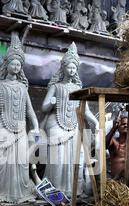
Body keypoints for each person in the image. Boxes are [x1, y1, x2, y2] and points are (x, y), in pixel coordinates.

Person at [0, 32, 39, 203]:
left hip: (19, 129)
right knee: (0, 164)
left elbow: (30, 111)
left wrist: (35, 125)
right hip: (0, 128)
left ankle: (20, 193)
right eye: (13, 63)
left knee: (21, 163)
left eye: (19, 64)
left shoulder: (22, 88)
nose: (16, 67)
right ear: (7, 65)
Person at [42, 42, 99, 197]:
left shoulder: (77, 89)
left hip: (73, 126)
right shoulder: (56, 87)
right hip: (57, 124)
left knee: (76, 160)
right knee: (59, 160)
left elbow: (85, 110)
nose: (72, 70)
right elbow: (44, 107)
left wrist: (95, 121)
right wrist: (52, 102)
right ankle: (55, 190)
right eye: (69, 67)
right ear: (64, 68)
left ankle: (73, 190)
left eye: (74, 67)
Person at [106, 114, 128, 180]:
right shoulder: (113, 141)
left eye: (128, 124)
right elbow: (104, 145)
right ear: (118, 127)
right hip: (116, 182)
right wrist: (113, 128)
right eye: (123, 124)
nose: (126, 125)